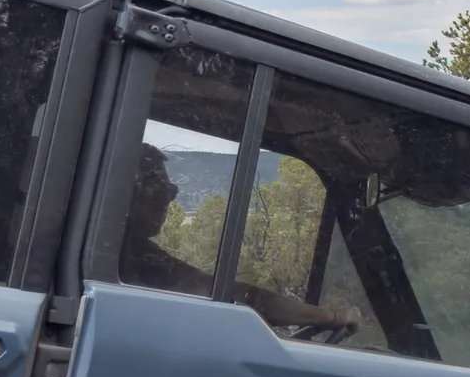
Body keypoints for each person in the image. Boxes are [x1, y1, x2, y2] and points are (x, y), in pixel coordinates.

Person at [120, 144, 365, 336]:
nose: (169, 197)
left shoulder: (128, 250)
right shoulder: (131, 255)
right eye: (161, 187)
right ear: (131, 190)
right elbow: (239, 296)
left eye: (171, 189)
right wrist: (330, 316)